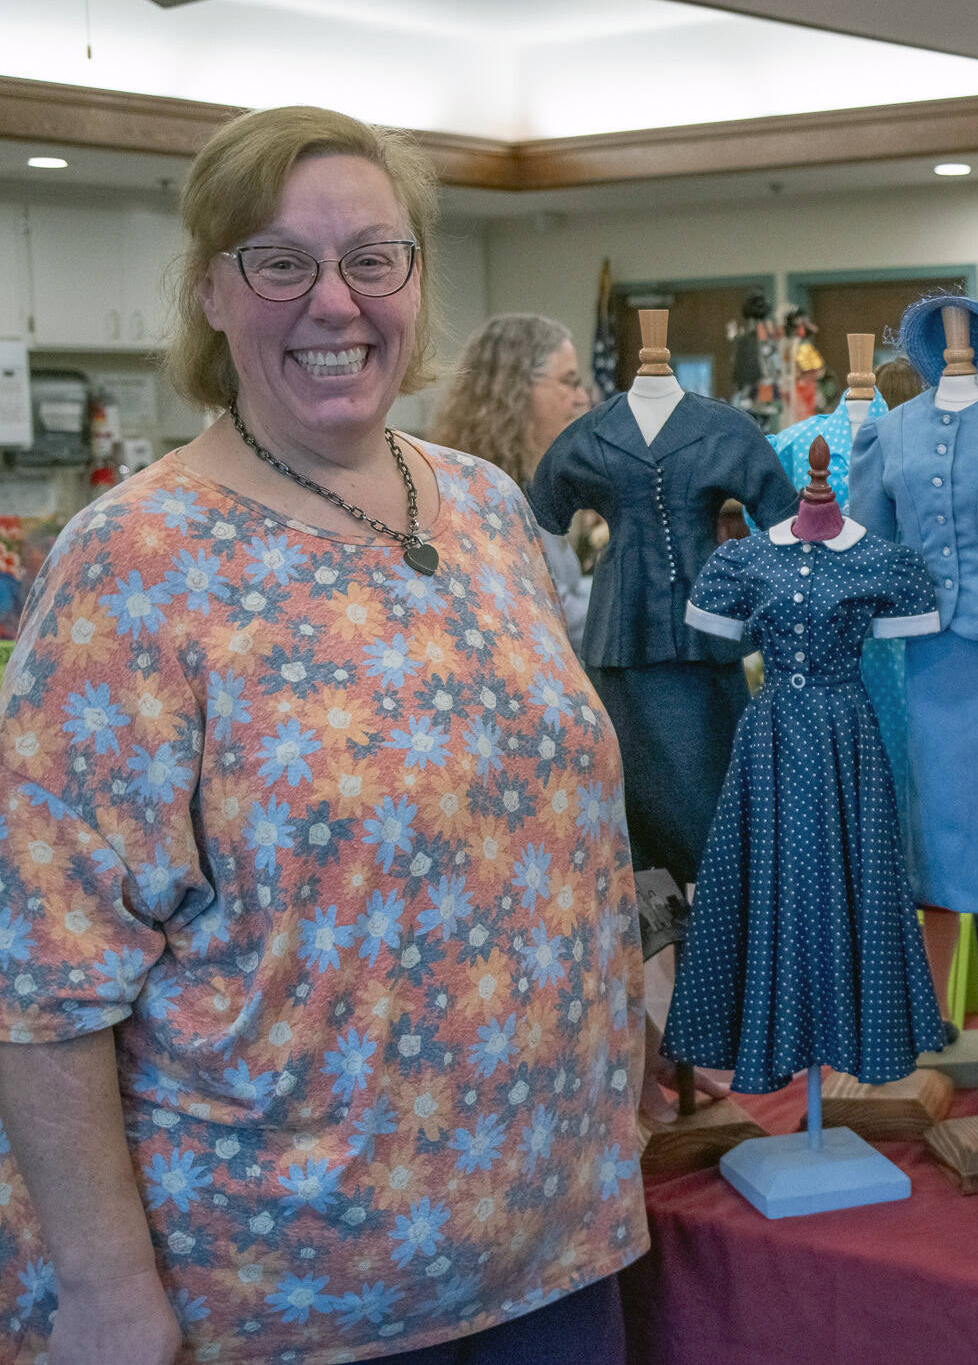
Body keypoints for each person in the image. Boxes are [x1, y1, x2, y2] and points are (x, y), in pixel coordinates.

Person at [0, 105, 647, 1365]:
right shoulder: (134, 562)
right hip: (274, 1286)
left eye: (371, 258)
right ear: (210, 292)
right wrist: (105, 1288)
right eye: (280, 262)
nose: (334, 301)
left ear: (416, 279)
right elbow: (40, 966)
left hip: (552, 1237)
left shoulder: (486, 509)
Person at [429, 313, 595, 653]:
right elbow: (552, 618)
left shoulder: (526, 482)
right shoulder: (484, 497)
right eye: (569, 381)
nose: (583, 398)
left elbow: (569, 590)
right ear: (516, 390)